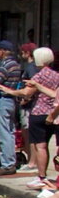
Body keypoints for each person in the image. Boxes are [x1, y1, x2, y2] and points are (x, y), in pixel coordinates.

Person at [17, 46, 59, 189]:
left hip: (39, 112)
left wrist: (10, 91)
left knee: (40, 146)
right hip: (53, 113)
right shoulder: (56, 75)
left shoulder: (38, 75)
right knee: (48, 146)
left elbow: (27, 93)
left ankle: (41, 176)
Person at [0, 40, 23, 176]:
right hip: (12, 101)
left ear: (3, 51)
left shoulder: (4, 65)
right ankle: (11, 160)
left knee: (3, 132)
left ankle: (7, 164)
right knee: (10, 132)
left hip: (3, 100)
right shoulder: (16, 64)